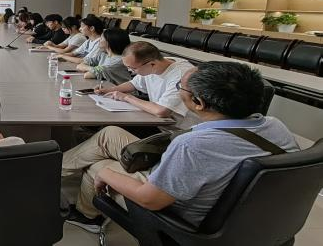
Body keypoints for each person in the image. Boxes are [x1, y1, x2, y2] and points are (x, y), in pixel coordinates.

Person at [62, 62, 299, 233]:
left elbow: (150, 200)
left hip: (173, 211)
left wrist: (105, 173)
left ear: (199, 102)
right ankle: (55, 171)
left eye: (180, 87)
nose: (178, 90)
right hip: (243, 207)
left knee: (100, 165)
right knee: (110, 134)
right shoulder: (275, 125)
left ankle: (87, 217)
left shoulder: (192, 146)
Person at [95, 41, 197, 128]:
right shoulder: (154, 63)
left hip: (179, 129)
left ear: (152, 64)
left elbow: (161, 111)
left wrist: (126, 97)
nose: (130, 71)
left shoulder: (182, 75)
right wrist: (110, 90)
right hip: (157, 121)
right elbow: (134, 84)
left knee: (112, 127)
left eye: (133, 68)